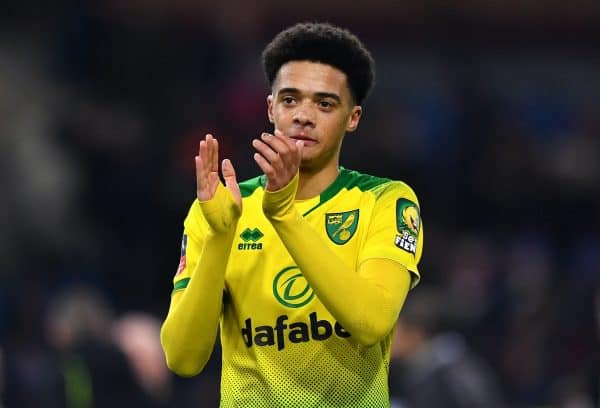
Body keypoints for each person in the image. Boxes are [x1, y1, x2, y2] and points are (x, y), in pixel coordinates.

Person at [160, 22, 424, 407]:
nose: (303, 115)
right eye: (289, 100)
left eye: (325, 103)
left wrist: (284, 213)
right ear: (270, 108)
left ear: (353, 117)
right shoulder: (223, 205)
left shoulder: (385, 201)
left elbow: (372, 322)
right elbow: (183, 358)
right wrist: (219, 236)